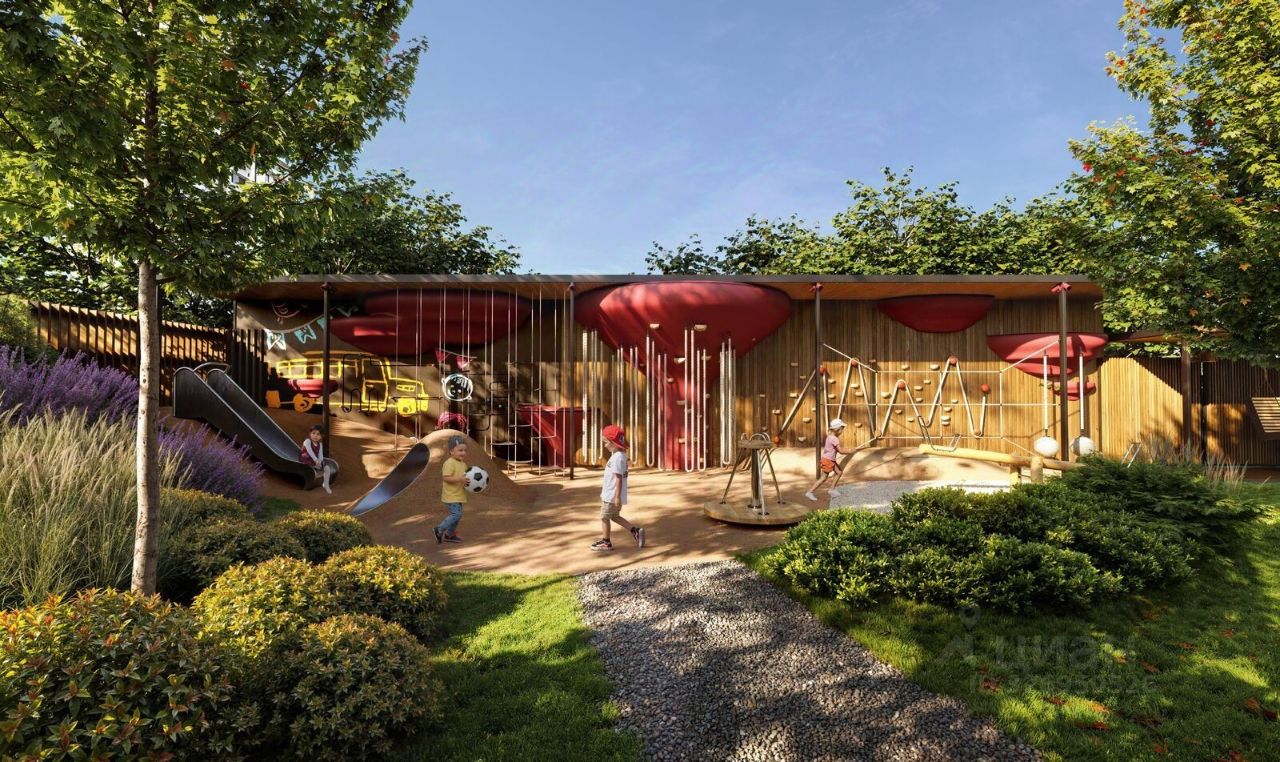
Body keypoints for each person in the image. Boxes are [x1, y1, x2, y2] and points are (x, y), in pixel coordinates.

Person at [591, 424, 645, 552]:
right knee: (614, 516)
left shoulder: (617, 458)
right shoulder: (621, 455)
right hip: (613, 495)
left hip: (611, 496)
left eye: (606, 442)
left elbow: (619, 478)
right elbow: (626, 465)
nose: (605, 445)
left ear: (614, 443)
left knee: (604, 517)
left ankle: (606, 542)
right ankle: (635, 531)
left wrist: (617, 497)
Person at [805, 418, 850, 502]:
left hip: (829, 459)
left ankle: (832, 490)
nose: (842, 431)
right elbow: (840, 451)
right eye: (842, 429)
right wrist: (850, 451)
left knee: (839, 472)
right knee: (823, 477)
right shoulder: (834, 439)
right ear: (837, 430)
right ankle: (810, 492)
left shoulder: (830, 436)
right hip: (828, 460)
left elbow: (835, 449)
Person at [435, 435, 469, 544]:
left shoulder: (463, 464)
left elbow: (465, 477)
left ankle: (449, 535)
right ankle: (439, 529)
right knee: (456, 515)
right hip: (451, 495)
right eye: (460, 450)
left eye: (464, 450)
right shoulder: (449, 463)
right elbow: (446, 478)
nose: (463, 452)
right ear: (451, 451)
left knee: (457, 516)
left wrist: (468, 482)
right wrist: (460, 479)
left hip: (459, 494)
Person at [299, 424, 338, 494]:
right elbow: (310, 451)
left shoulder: (320, 444)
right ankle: (315, 468)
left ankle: (326, 484)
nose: (315, 436)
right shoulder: (307, 441)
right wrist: (316, 460)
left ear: (321, 436)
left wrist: (320, 461)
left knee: (327, 468)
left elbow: (320, 455)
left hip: (314, 462)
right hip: (306, 459)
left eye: (318, 434)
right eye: (313, 433)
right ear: (310, 434)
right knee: (315, 466)